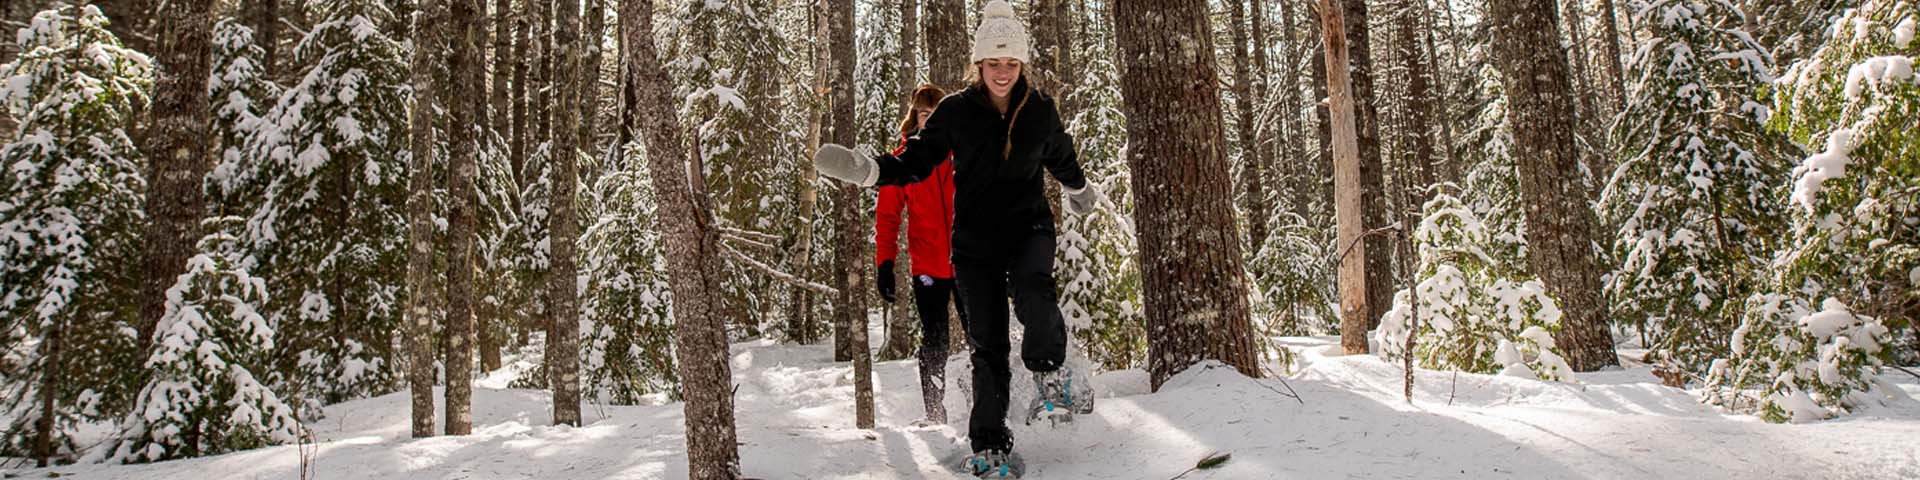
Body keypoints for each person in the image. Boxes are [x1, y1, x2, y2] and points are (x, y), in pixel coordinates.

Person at [813, 1, 1101, 475]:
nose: (1003, 72)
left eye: (1011, 63)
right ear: (979, 65)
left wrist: (1078, 189)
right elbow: (915, 162)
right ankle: (991, 447)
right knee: (987, 345)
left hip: (1028, 227)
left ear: (1021, 63)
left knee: (1034, 288)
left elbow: (1062, 156)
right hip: (974, 242)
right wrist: (869, 170)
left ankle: (1052, 373)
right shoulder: (956, 112)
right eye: (993, 63)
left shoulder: (1039, 111)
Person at [875, 83, 968, 426]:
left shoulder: (962, 151)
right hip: (928, 266)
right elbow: (887, 216)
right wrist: (884, 263)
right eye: (922, 114)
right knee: (936, 339)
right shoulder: (905, 159)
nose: (928, 120)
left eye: (934, 114)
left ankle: (986, 405)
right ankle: (935, 412)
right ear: (914, 117)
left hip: (967, 261)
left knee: (981, 337)